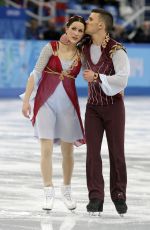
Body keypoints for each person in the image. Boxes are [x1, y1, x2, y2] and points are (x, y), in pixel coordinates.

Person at [21, 15, 86, 211]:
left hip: (68, 106)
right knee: (46, 148)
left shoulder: (82, 54)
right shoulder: (51, 47)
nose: (76, 33)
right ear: (66, 28)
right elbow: (36, 73)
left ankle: (66, 191)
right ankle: (48, 192)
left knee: (68, 151)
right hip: (45, 103)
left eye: (80, 30)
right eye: (73, 28)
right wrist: (26, 100)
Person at [82, 8, 130, 215]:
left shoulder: (116, 50)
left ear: (101, 25)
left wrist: (98, 77)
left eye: (90, 19)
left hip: (113, 108)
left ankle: (119, 195)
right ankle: (95, 197)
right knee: (92, 154)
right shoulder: (83, 46)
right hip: (92, 107)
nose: (87, 21)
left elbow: (122, 79)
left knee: (116, 153)